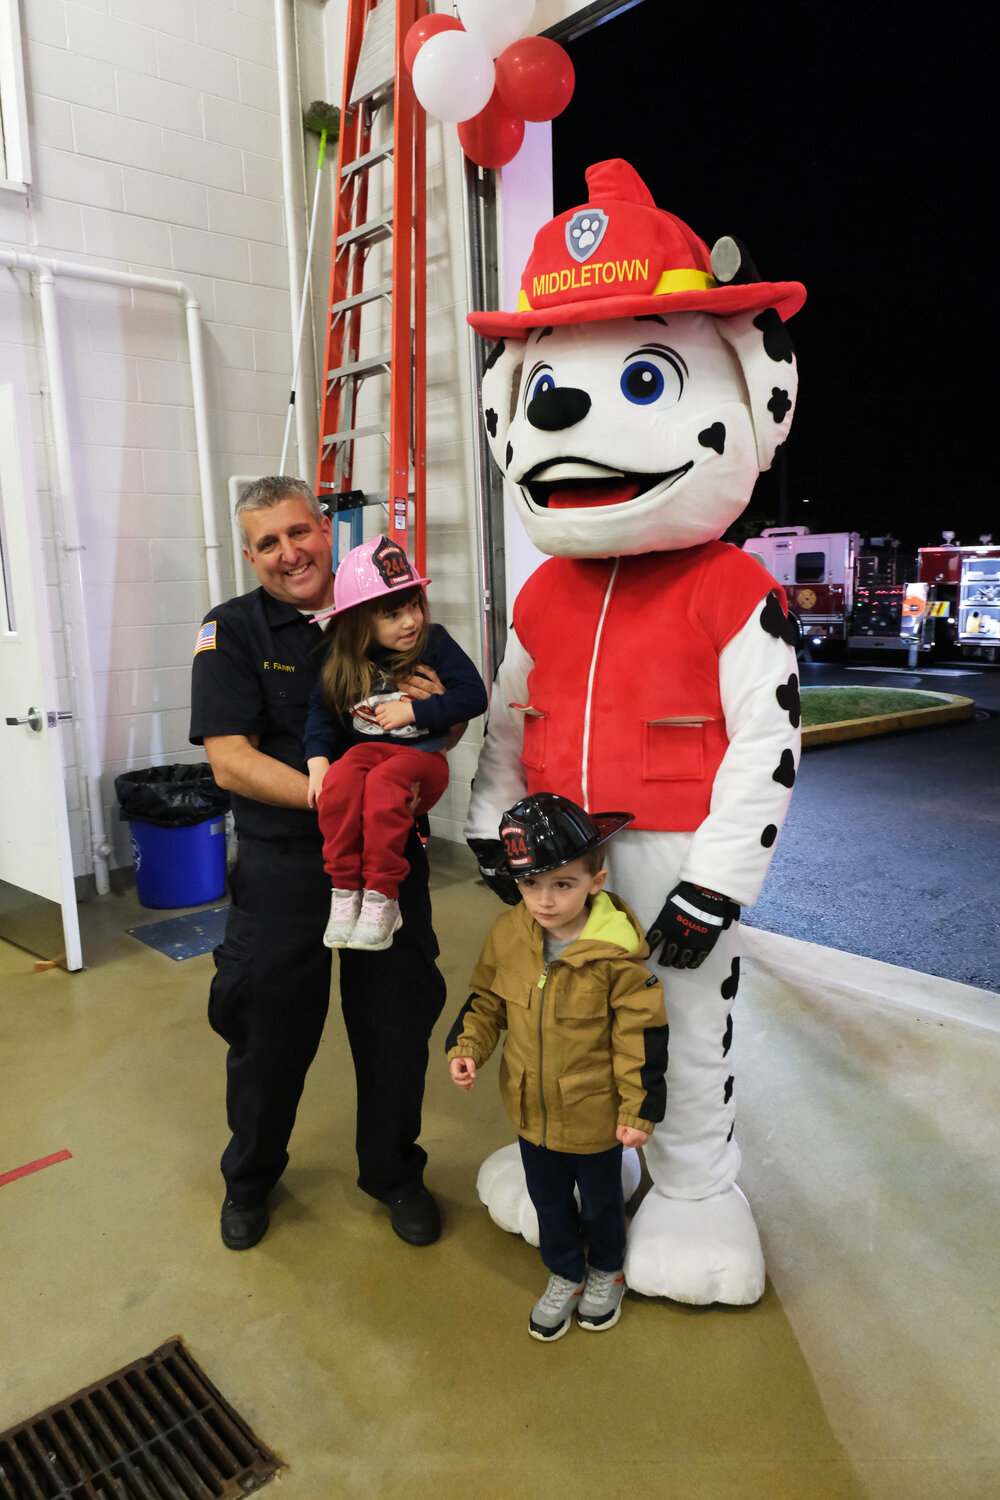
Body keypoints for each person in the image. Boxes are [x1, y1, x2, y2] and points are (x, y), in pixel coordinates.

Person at [190, 477, 460, 1252]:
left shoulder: (384, 611)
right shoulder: (232, 631)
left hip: (390, 861)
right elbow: (233, 764)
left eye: (299, 532)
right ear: (250, 555)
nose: (289, 552)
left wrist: (422, 742)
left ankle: (394, 1175)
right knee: (268, 1035)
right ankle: (250, 1179)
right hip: (285, 871)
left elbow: (440, 713)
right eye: (268, 542)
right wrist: (350, 797)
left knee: (396, 1024)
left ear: (327, 529)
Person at [446, 793, 668, 1341]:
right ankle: (565, 1272)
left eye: (562, 884)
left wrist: (639, 1110)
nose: (544, 901)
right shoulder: (509, 934)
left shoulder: (615, 956)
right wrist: (469, 1048)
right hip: (528, 1109)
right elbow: (486, 998)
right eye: (531, 885)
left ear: (596, 881)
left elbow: (641, 1037)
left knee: (600, 1202)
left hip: (594, 1115)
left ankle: (605, 1269)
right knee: (548, 1200)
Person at [303, 534, 487, 952]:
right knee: (341, 782)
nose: (410, 621)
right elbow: (320, 712)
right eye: (393, 614)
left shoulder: (434, 642)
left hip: (423, 758)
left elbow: (474, 696)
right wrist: (317, 762)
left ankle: (383, 897)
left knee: (385, 785)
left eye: (414, 606)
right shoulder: (343, 661)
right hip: (370, 754)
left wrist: (415, 712)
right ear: (359, 623)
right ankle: (346, 891)